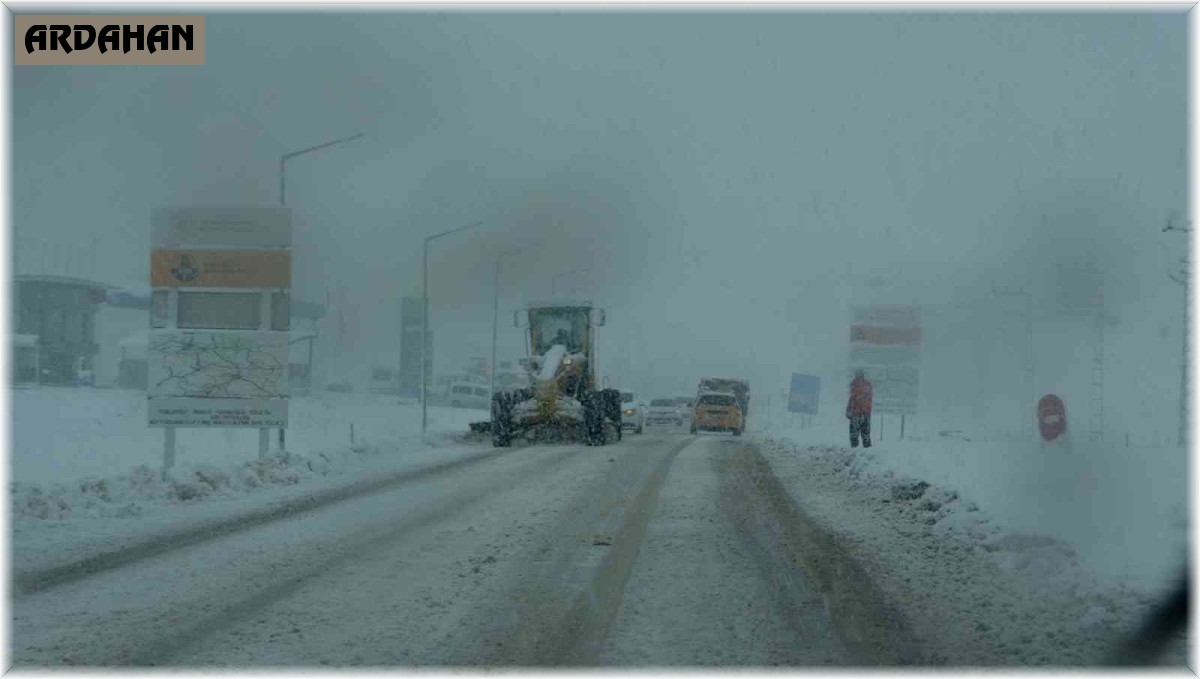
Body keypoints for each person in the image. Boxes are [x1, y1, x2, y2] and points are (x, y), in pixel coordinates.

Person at [846, 369, 873, 448]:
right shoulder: (868, 384)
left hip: (856, 413)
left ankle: (855, 451)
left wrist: (849, 409)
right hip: (866, 412)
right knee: (866, 435)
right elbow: (869, 398)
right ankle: (867, 451)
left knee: (854, 434)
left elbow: (853, 398)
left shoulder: (854, 384)